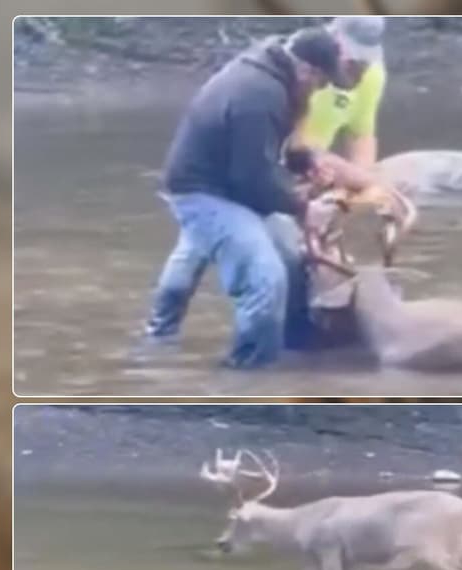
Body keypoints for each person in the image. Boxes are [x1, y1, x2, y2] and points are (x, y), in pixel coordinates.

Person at [143, 27, 346, 368]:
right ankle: (248, 375)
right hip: (203, 192)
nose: (322, 89)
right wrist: (304, 208)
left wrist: (304, 163)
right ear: (308, 71)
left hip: (230, 183)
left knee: (293, 259)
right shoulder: (258, 94)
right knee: (265, 278)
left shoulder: (275, 74)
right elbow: (252, 178)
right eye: (324, 82)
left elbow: (263, 152)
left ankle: (298, 354)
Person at [296, 17, 413, 228]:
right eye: (351, 61)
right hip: (283, 164)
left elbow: (361, 135)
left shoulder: (372, 75)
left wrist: (358, 193)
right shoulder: (302, 69)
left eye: (363, 61)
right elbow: (292, 146)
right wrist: (367, 181)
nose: (358, 69)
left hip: (318, 173)